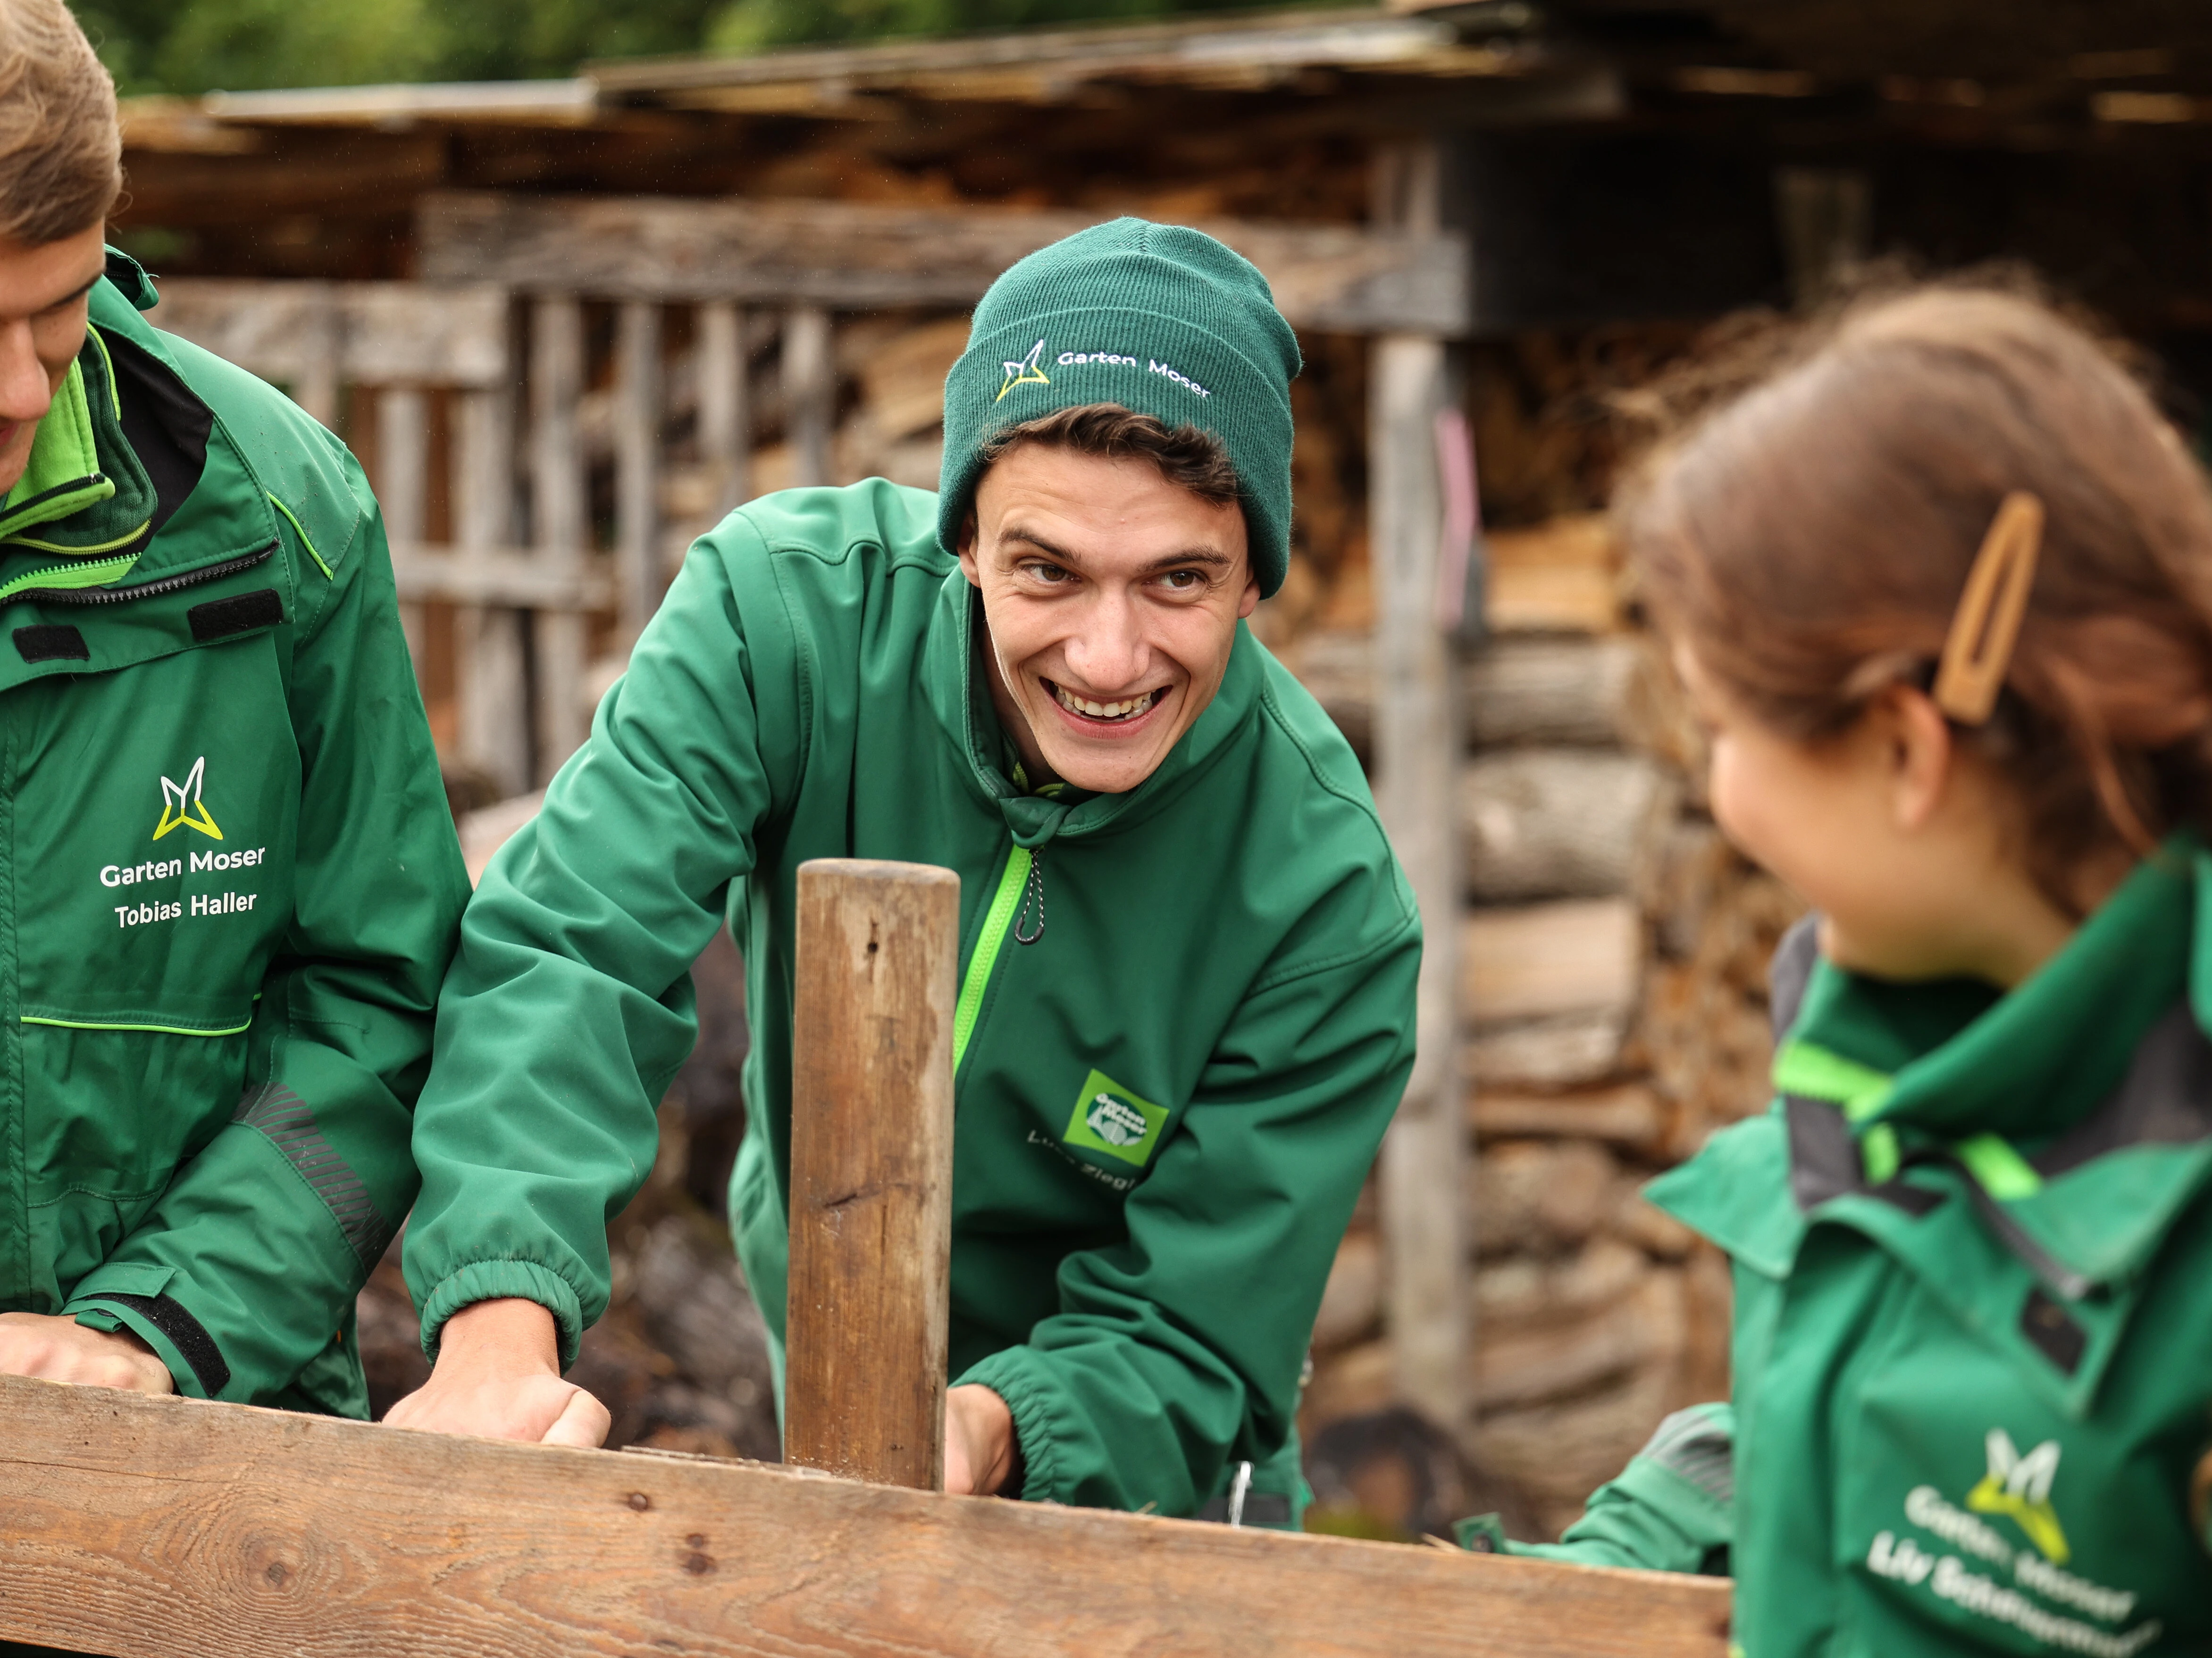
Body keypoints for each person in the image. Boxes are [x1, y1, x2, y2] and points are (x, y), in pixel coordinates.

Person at [390, 219, 1422, 1525]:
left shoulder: (1323, 899)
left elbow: (1196, 1326)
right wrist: (497, 1329)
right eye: (1047, 570)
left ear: (1257, 576)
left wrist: (981, 1431)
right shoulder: (783, 623)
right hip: (818, 1382)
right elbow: (573, 950)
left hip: (1132, 1499)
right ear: (966, 541)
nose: (1109, 660)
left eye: (1178, 581)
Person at [1458, 286, 2212, 1652]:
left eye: (1725, 729)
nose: (1716, 791)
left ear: (1905, 752)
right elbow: (1874, 1404)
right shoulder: (1902, 1030)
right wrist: (1590, 1576)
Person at [0, 0, 467, 1421]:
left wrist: (161, 1328)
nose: (22, 384)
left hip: (199, 1437)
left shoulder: (275, 512)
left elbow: (379, 992)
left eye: (58, 309)